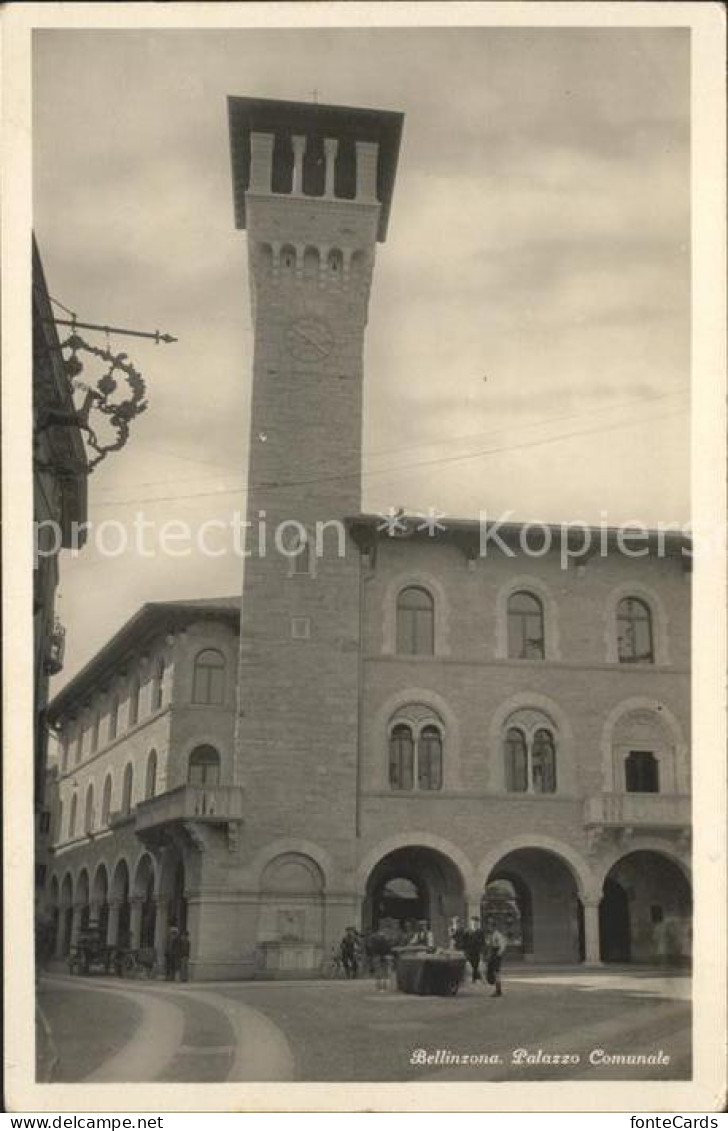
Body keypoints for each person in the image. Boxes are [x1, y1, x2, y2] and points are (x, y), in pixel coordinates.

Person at [484, 917, 507, 997]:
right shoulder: (491, 935)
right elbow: (488, 944)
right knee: (491, 971)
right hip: (492, 953)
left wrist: (498, 954)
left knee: (496, 972)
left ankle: (498, 990)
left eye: (490, 926)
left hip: (496, 954)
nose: (489, 927)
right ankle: (495, 987)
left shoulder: (498, 935)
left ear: (494, 926)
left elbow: (502, 945)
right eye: (488, 926)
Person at [463, 916, 485, 983]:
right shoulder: (467, 931)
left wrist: (481, 951)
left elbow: (482, 942)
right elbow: (464, 941)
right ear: (471, 923)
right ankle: (474, 977)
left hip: (476, 951)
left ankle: (474, 979)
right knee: (470, 965)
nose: (474, 924)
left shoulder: (480, 932)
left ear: (478, 923)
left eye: (476, 922)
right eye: (473, 922)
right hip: (469, 951)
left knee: (475, 965)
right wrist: (465, 950)